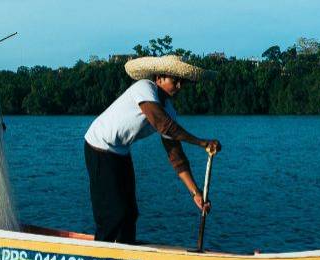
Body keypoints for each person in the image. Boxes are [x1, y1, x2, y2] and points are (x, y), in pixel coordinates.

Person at [83, 55, 221, 244]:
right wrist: (201, 142)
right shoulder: (144, 88)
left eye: (182, 82)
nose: (179, 86)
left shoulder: (169, 111)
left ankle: (127, 256)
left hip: (120, 152)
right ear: (159, 78)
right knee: (113, 213)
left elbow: (176, 157)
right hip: (98, 145)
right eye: (175, 81)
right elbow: (163, 125)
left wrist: (195, 192)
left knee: (130, 213)